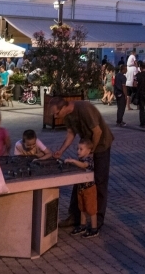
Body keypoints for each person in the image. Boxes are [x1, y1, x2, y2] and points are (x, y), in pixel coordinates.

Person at [52, 97, 114, 231]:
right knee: (79, 178)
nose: (55, 116)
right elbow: (70, 134)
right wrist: (61, 151)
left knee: (99, 181)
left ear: (64, 107)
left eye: (57, 113)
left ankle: (97, 218)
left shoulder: (84, 108)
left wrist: (92, 151)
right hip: (87, 147)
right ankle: (74, 216)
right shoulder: (67, 116)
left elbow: (97, 132)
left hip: (101, 144)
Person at [65, 139, 99, 238]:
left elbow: (84, 165)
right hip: (81, 188)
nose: (78, 151)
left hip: (89, 189)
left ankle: (94, 229)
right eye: (77, 149)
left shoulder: (89, 159)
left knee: (91, 209)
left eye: (81, 149)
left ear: (88, 151)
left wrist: (73, 161)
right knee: (82, 208)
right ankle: (82, 226)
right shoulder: (81, 159)